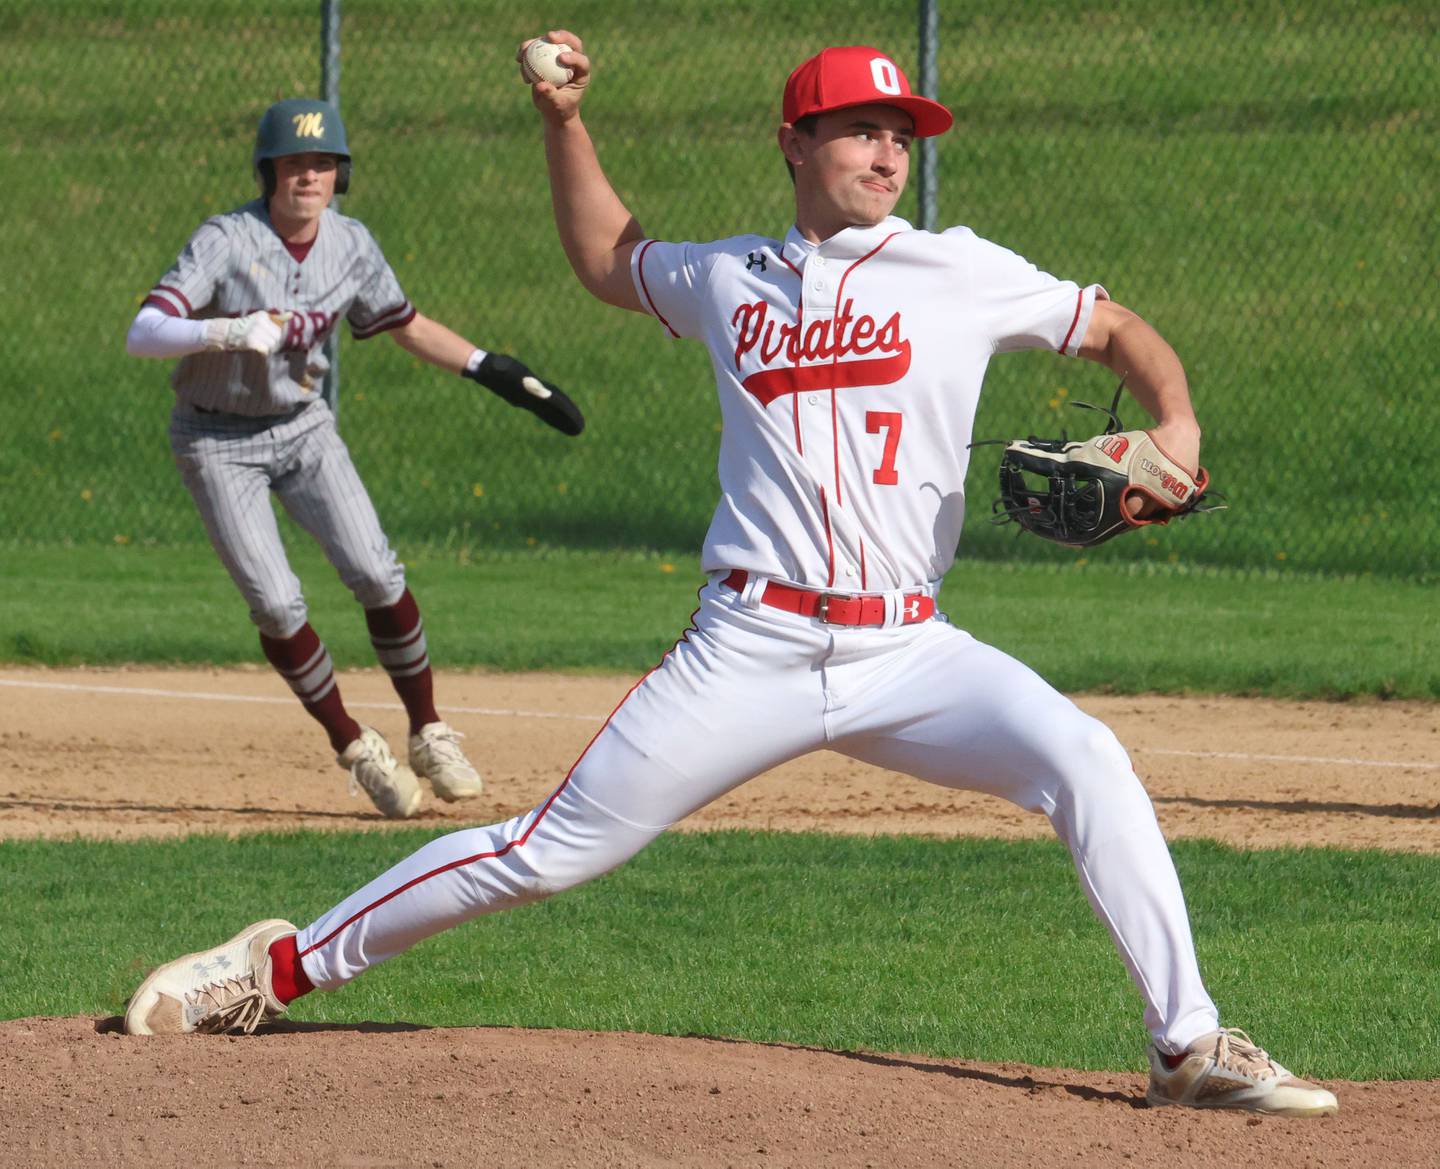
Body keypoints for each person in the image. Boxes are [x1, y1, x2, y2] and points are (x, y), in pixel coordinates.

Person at [121, 45, 1337, 1118]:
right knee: (544, 851)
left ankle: (1186, 1045)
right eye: (863, 128)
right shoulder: (728, 276)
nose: (887, 150)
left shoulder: (959, 269)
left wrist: (1173, 420)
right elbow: (608, 255)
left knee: (1087, 758)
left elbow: (1116, 325)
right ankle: (271, 968)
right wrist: (565, 124)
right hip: (746, 646)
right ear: (796, 142)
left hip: (908, 651)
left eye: (902, 133)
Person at [125, 98, 584, 819]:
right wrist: (230, 330)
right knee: (276, 603)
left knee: (375, 570)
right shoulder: (226, 237)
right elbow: (144, 330)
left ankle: (429, 730)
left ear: (341, 174)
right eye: (292, 162)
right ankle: (355, 744)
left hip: (304, 426)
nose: (307, 176)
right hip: (216, 439)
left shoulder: (352, 245)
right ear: (268, 170)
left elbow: (404, 325)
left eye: (322, 163)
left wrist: (492, 368)